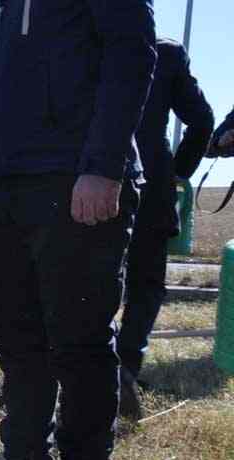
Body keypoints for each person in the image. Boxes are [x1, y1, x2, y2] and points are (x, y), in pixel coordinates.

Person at [0, 0, 156, 460]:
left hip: (77, 179)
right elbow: (3, 79)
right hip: (12, 186)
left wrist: (104, 164)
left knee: (81, 350)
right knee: (20, 349)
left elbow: (130, 53)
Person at [117, 38, 214, 418]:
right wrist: (177, 173)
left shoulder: (84, 38)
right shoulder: (167, 52)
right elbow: (202, 119)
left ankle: (92, 371)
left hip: (88, 173)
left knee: (91, 279)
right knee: (145, 285)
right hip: (151, 180)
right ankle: (124, 366)